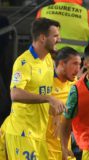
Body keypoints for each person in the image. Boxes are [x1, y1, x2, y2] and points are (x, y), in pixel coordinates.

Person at [5, 18, 65, 159]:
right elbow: (15, 93)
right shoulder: (23, 62)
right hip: (23, 133)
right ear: (43, 38)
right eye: (55, 36)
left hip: (39, 133)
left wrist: (55, 112)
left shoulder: (49, 60)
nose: (60, 39)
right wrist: (48, 99)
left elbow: (44, 90)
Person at [46, 47, 81, 160]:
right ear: (62, 64)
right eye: (74, 64)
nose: (78, 69)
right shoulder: (44, 83)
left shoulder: (75, 83)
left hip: (65, 148)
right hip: (45, 149)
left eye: (79, 64)